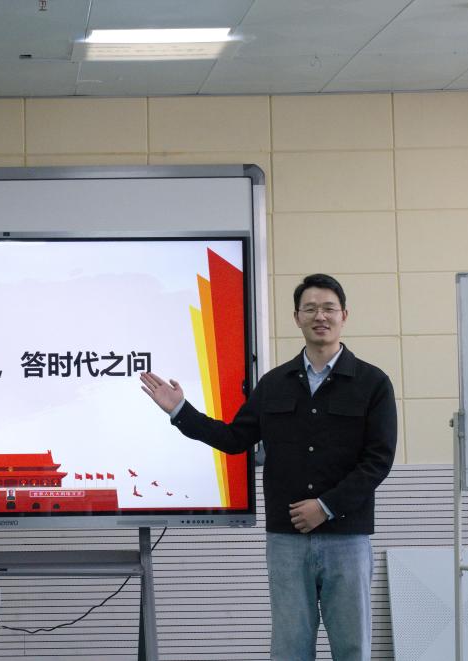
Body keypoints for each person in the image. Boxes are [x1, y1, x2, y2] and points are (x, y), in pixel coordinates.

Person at [140, 273, 397, 661]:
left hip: (347, 538)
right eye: (310, 308)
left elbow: (378, 460)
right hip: (286, 540)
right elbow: (234, 439)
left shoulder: (373, 383)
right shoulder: (275, 383)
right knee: (289, 649)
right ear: (296, 317)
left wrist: (325, 506)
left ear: (344, 315)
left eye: (329, 308)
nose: (320, 316)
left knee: (352, 649)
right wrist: (181, 411)